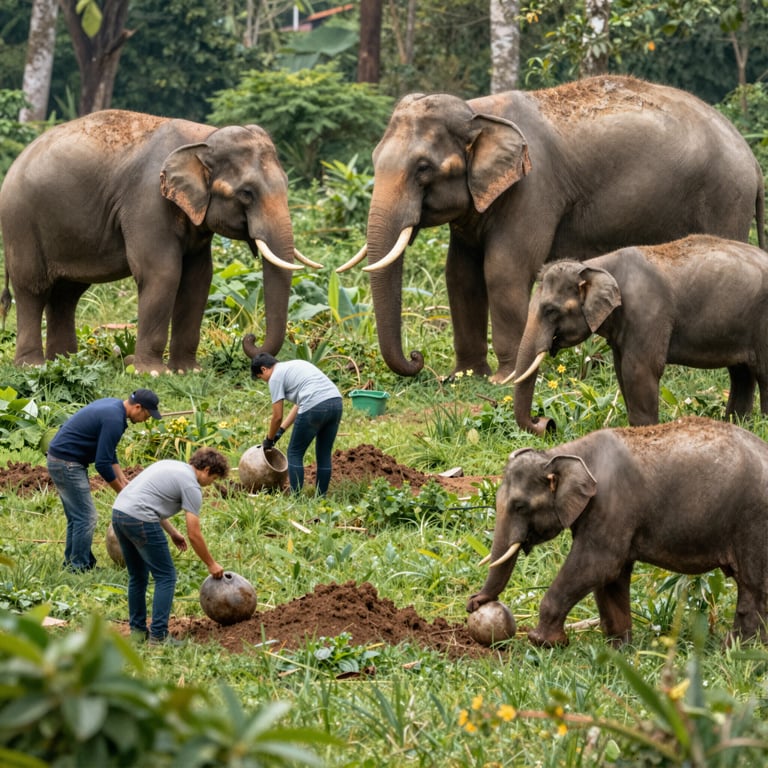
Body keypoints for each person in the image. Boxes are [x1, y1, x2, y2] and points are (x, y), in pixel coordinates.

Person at [111, 447, 229, 644]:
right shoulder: (191, 486)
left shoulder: (171, 465)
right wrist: (211, 563)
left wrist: (172, 532)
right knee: (166, 576)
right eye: (214, 478)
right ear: (207, 470)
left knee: (138, 577)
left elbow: (149, 500)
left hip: (119, 513)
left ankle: (138, 633)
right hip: (140, 519)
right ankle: (158, 635)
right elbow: (194, 533)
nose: (211, 484)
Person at [47, 389, 162, 572]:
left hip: (61, 460)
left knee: (77, 518)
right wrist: (121, 492)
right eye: (146, 415)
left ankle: (75, 562)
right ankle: (78, 567)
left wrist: (122, 477)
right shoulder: (114, 420)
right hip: (67, 463)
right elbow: (102, 464)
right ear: (138, 407)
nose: (145, 420)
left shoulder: (114, 407)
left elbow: (109, 450)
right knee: (86, 517)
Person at [250, 353, 343, 495]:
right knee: (324, 454)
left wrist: (269, 440)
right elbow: (299, 404)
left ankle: (297, 497)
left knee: (294, 452)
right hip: (336, 402)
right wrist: (280, 431)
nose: (264, 381)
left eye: (260, 378)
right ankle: (321, 497)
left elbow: (277, 416)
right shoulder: (294, 365)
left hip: (314, 404)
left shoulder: (275, 377)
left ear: (264, 369)